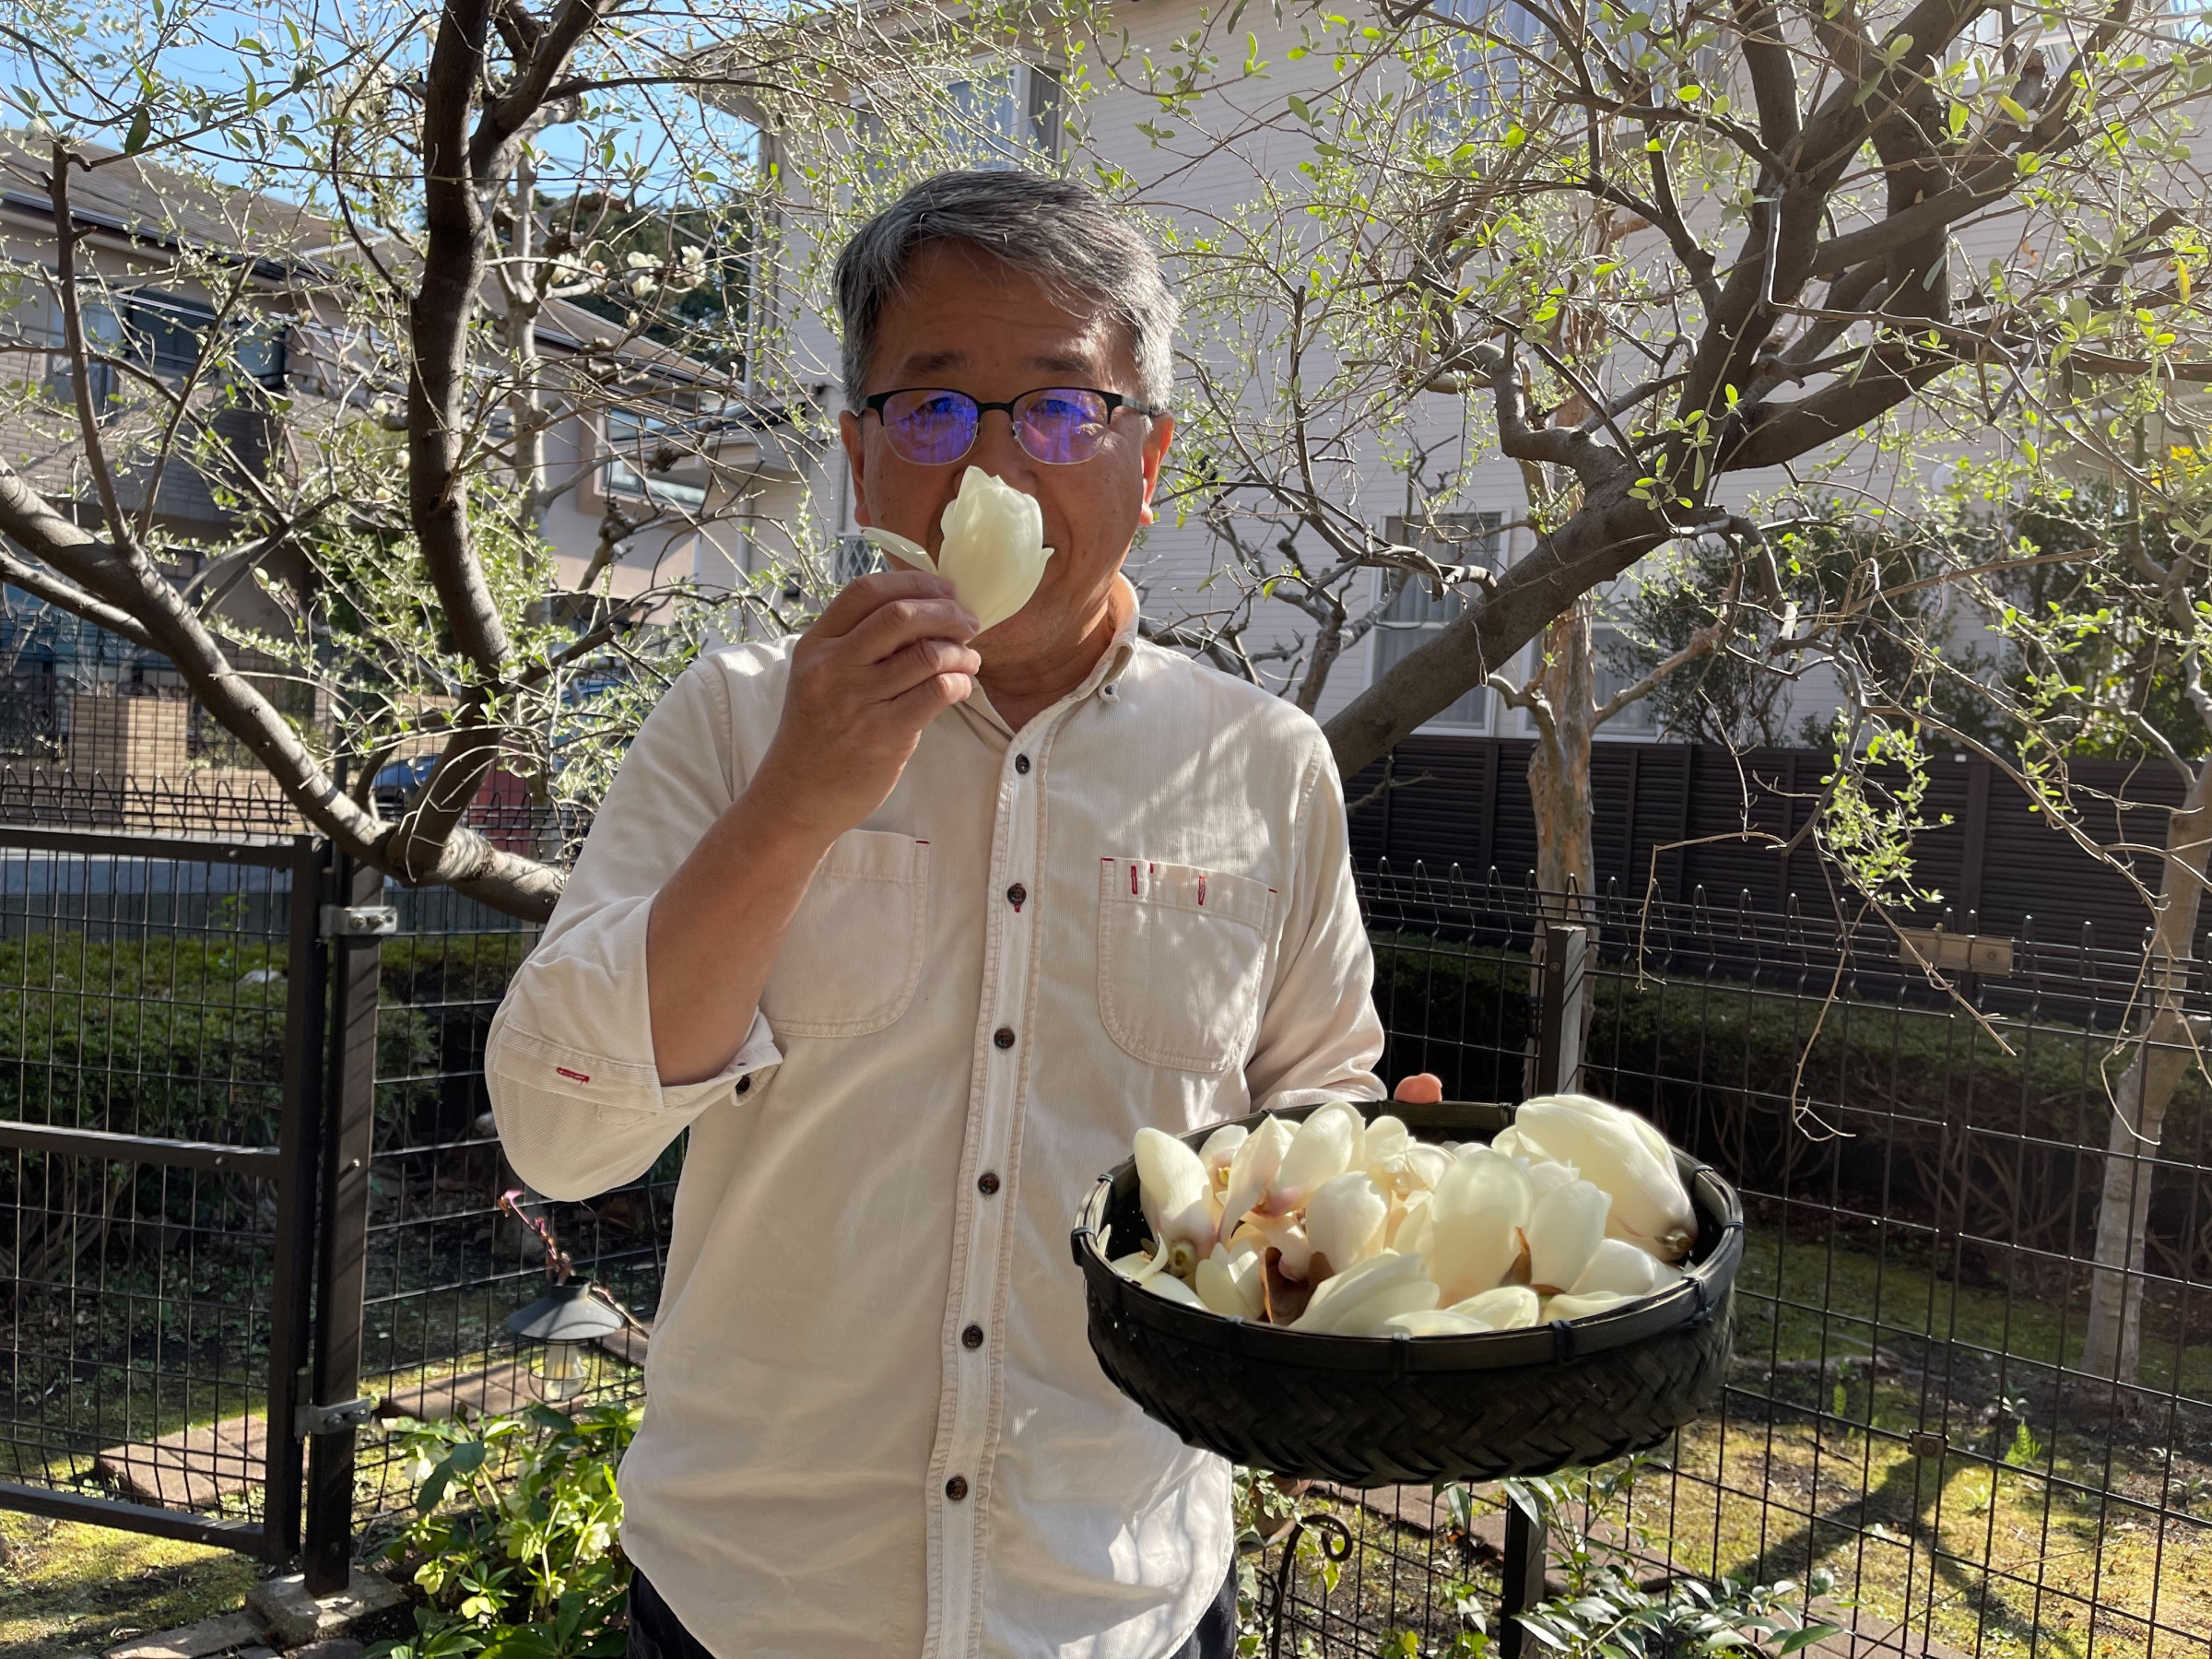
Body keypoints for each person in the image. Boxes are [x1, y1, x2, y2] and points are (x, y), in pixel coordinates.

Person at [485, 169, 1437, 1659]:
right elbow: (561, 1129)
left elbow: (1311, 1106)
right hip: (761, 1599)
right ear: (862, 459)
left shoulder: (1261, 763)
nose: (993, 463)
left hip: (1116, 1593)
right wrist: (804, 796)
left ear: (1151, 460)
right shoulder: (737, 722)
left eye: (1061, 409)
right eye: (933, 409)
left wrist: (1368, 1212)